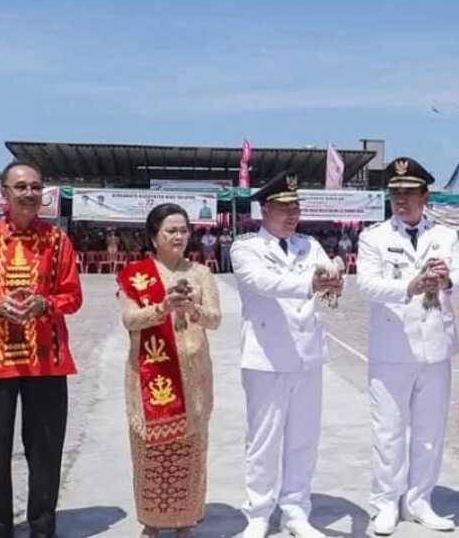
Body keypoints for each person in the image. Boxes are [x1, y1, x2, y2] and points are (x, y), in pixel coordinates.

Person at [0, 161, 83, 538]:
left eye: (36, 187)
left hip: (47, 361)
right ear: (4, 194)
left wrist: (46, 304)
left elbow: (72, 296)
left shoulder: (58, 241)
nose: (29, 193)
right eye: (21, 186)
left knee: (45, 452)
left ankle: (43, 529)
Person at [356, 157, 459, 535]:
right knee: (389, 429)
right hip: (392, 348)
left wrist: (446, 280)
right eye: (394, 193)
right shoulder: (373, 237)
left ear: (425, 196)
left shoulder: (445, 235)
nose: (400, 200)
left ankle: (419, 499)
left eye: (408, 193)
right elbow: (367, 285)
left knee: (429, 431)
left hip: (436, 346)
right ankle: (386, 502)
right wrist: (409, 285)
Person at [231, 170, 342, 538]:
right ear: (265, 210)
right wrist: (309, 282)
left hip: (307, 355)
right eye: (283, 208)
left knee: (303, 438)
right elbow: (263, 284)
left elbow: (328, 280)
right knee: (263, 439)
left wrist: (333, 279)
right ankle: (258, 511)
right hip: (266, 357)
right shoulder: (245, 247)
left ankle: (296, 509)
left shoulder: (309, 246)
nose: (292, 214)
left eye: (296, 207)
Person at [118, 203, 221, 538]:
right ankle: (152, 521)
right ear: (153, 236)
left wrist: (194, 308)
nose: (179, 236)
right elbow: (130, 320)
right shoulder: (137, 274)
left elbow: (216, 320)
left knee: (190, 448)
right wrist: (161, 308)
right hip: (151, 377)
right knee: (152, 450)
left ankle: (186, 519)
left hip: (194, 380)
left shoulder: (201, 273)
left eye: (183, 229)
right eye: (170, 230)